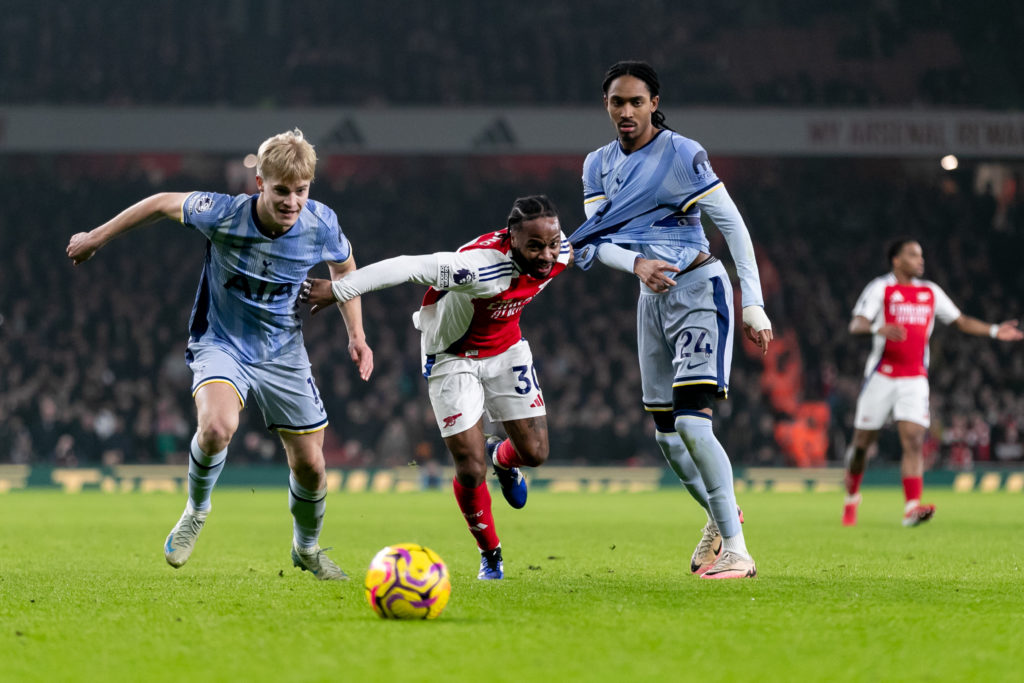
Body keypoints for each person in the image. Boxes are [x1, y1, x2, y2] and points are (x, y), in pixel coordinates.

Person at [66, 129, 374, 580]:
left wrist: (357, 335)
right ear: (260, 185)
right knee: (216, 426)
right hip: (222, 342)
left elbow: (345, 269)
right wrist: (96, 237)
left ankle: (306, 548)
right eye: (282, 190)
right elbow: (157, 203)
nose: (292, 201)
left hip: (283, 351)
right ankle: (196, 510)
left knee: (310, 465)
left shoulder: (321, 223)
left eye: (301, 191)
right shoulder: (224, 213)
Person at [568, 61, 773, 580]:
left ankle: (738, 550)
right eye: (618, 102)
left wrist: (754, 303)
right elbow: (597, 241)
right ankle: (718, 518)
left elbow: (735, 226)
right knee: (665, 435)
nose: (627, 111)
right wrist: (636, 263)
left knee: (690, 420)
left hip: (700, 289)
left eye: (637, 101)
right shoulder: (597, 164)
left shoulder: (682, 154)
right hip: (650, 300)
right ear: (607, 107)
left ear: (654, 103)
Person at [302, 195, 571, 580]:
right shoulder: (477, 268)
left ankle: (504, 459)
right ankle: (490, 554)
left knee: (536, 453)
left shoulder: (561, 253)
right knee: (470, 466)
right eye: (535, 246)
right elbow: (407, 267)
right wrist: (339, 290)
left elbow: (593, 244)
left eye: (552, 244)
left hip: (507, 350)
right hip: (451, 356)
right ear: (512, 238)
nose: (546, 255)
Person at [842, 238, 1021, 526]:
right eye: (913, 255)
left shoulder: (930, 291)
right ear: (896, 260)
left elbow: (960, 321)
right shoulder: (881, 288)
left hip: (914, 377)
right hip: (881, 376)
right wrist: (878, 327)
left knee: (913, 438)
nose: (920, 260)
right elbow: (856, 324)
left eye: (921, 255)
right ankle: (851, 497)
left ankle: (911, 508)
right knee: (862, 445)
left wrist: (995, 330)